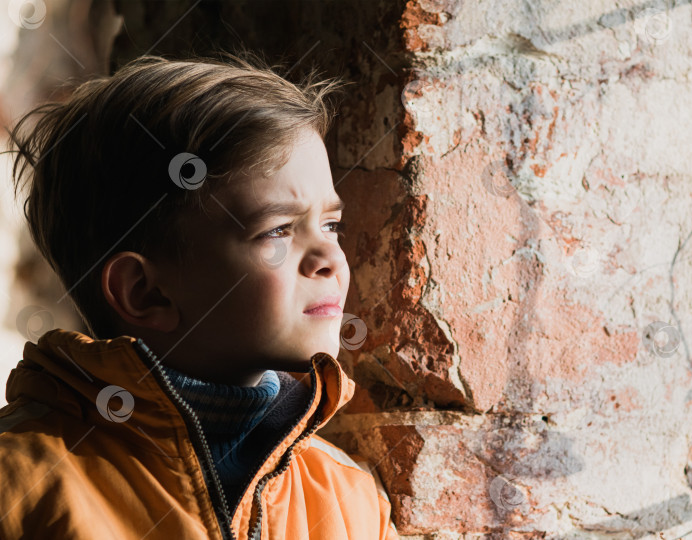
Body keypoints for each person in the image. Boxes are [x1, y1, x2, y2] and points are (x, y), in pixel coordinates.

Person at [0, 52, 399, 540]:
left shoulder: (349, 501)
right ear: (146, 293)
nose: (331, 258)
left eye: (331, 224)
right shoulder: (21, 487)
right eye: (277, 231)